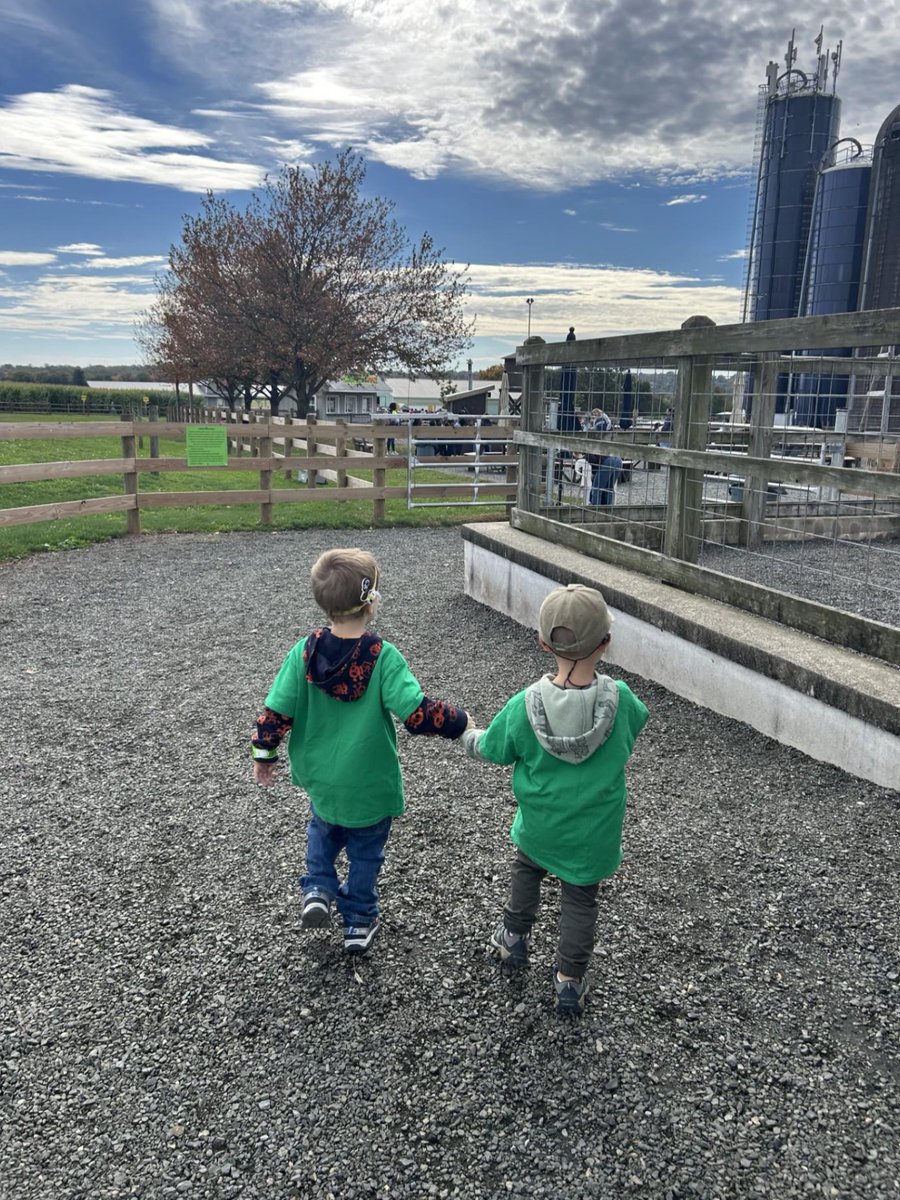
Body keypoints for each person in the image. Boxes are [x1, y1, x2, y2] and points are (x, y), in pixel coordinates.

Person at [252, 547, 470, 955]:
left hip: (322, 779)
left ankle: (317, 887)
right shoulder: (383, 658)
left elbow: (276, 710)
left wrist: (264, 755)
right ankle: (358, 920)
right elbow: (417, 714)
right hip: (369, 783)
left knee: (322, 830)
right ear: (370, 604)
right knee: (366, 852)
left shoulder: (304, 652)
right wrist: (460, 722)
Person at [463, 584, 648, 1015]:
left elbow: (493, 748)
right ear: (606, 642)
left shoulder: (524, 706)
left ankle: (513, 940)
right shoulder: (622, 702)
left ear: (542, 642)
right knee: (581, 899)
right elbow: (636, 727)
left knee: (526, 871)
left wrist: (469, 735)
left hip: (539, 825)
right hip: (593, 834)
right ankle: (569, 980)